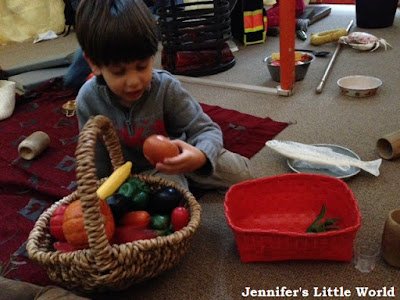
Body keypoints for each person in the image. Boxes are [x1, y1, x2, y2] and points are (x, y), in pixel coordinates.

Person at [74, 0, 253, 191]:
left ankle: (190, 174)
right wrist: (95, 193)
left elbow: (206, 129)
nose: (134, 81)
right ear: (94, 64)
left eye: (142, 66)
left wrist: (200, 155)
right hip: (143, 172)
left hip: (185, 152)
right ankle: (181, 182)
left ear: (153, 56)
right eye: (119, 72)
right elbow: (93, 159)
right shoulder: (88, 99)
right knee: (174, 191)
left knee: (243, 174)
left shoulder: (165, 86)